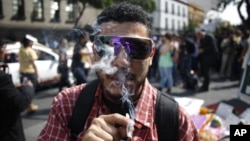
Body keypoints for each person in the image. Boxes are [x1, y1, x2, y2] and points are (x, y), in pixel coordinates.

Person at [38, 2, 199, 140]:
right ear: (94, 53)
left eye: (136, 48)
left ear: (151, 56)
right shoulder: (67, 105)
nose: (121, 62)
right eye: (107, 47)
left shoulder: (176, 121)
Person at [0, 39, 35, 141]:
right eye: (4, 48)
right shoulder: (2, 78)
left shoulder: (21, 50)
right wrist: (28, 87)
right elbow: (19, 103)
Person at [18, 34, 39, 112]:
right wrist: (37, 74)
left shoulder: (21, 50)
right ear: (29, 42)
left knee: (25, 89)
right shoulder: (31, 51)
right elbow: (33, 63)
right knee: (31, 90)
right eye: (31, 42)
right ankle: (30, 106)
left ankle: (29, 105)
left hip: (22, 73)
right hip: (30, 73)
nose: (32, 43)